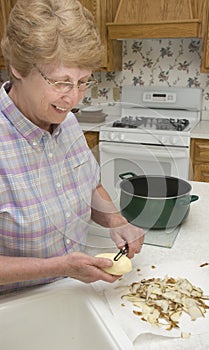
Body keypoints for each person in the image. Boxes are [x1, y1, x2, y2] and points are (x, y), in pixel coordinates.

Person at [0, 0, 144, 293]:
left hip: (71, 292)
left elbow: (88, 187)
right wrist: (62, 266)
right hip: (17, 308)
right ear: (17, 66)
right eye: (61, 81)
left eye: (83, 82)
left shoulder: (66, 121)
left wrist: (116, 221)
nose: (74, 98)